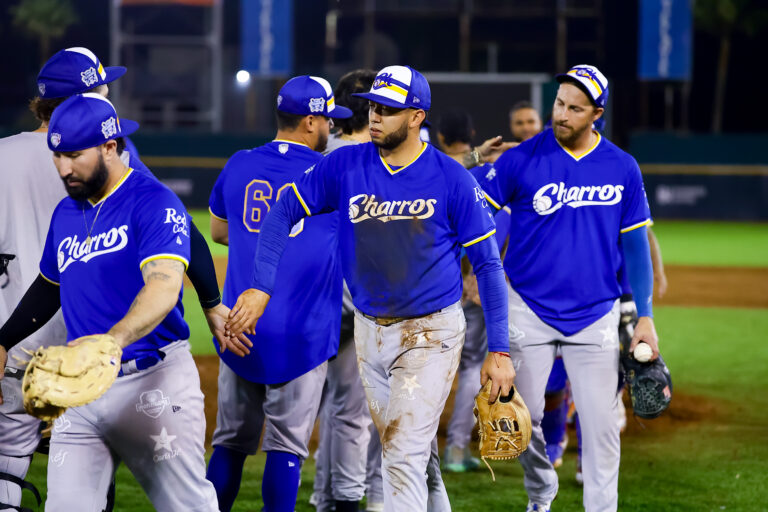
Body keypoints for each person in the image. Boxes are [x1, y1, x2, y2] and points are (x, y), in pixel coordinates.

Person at [225, 65, 515, 511]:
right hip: (369, 330)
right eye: (373, 107)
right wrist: (262, 286)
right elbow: (283, 210)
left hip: (431, 333)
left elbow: (489, 267)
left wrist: (499, 352)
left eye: (389, 109)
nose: (375, 116)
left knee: (400, 455)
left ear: (417, 116)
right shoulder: (344, 165)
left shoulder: (451, 178)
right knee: (413, 453)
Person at [0, 47, 240, 512]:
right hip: (83, 390)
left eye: (73, 155)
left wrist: (112, 340)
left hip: (152, 381)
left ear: (110, 147)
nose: (63, 168)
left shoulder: (152, 200)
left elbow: (164, 284)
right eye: (57, 156)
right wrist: (4, 338)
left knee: (188, 506)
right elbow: (48, 287)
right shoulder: (67, 213)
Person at [473, 64, 660, 512]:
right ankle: (541, 493)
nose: (562, 114)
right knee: (521, 421)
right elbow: (469, 207)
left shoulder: (622, 166)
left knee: (599, 427)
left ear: (596, 113)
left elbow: (635, 247)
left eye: (575, 109)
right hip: (527, 307)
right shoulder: (521, 159)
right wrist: (473, 163)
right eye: (558, 103)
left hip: (596, 312)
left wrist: (646, 315)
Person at [205, 75, 352, 512]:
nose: (332, 127)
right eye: (328, 118)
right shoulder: (331, 175)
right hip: (301, 332)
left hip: (240, 328)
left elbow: (218, 232)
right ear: (310, 121)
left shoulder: (240, 162)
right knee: (285, 446)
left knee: (229, 443)